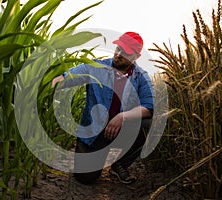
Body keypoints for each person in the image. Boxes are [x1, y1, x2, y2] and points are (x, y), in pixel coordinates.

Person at [52, 32, 154, 184]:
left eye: (125, 52)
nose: (118, 54)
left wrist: (122, 117)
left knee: (148, 125)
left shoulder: (141, 77)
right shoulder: (95, 67)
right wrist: (55, 81)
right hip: (94, 133)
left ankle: (120, 162)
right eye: (118, 48)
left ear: (136, 57)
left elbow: (149, 106)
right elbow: (67, 77)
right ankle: (97, 154)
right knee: (85, 178)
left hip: (120, 130)